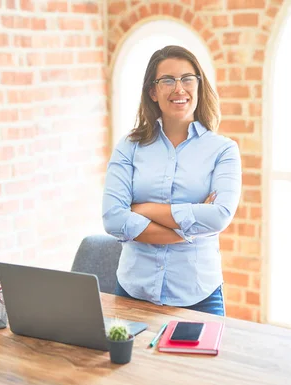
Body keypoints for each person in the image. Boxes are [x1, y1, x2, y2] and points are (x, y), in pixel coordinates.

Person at [102, 45, 242, 316]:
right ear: (152, 92)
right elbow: (112, 218)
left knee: (199, 361)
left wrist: (143, 209)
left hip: (198, 294)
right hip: (133, 290)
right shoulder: (129, 147)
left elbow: (218, 217)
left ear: (199, 86)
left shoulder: (223, 150)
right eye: (167, 80)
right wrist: (186, 231)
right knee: (128, 360)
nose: (179, 88)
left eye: (187, 79)